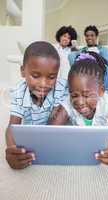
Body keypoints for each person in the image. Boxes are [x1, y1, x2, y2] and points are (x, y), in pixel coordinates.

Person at [49, 52, 108, 165]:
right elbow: (50, 131)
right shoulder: (68, 101)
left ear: (101, 91)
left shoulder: (107, 102)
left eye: (87, 95)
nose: (80, 102)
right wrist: (57, 111)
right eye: (74, 95)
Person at [5, 41, 68, 169]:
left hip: (54, 129)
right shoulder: (19, 92)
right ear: (23, 71)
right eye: (35, 76)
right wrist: (12, 149)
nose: (43, 84)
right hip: (33, 132)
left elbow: (57, 120)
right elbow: (12, 126)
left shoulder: (61, 87)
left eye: (51, 77)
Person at [68, 25, 108, 91]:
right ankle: (77, 83)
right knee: (71, 55)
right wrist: (74, 49)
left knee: (106, 52)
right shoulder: (82, 50)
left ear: (96, 37)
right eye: (87, 36)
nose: (89, 37)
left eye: (92, 35)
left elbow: (107, 61)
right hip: (84, 71)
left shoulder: (103, 50)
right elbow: (74, 56)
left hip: (98, 71)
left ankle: (104, 88)